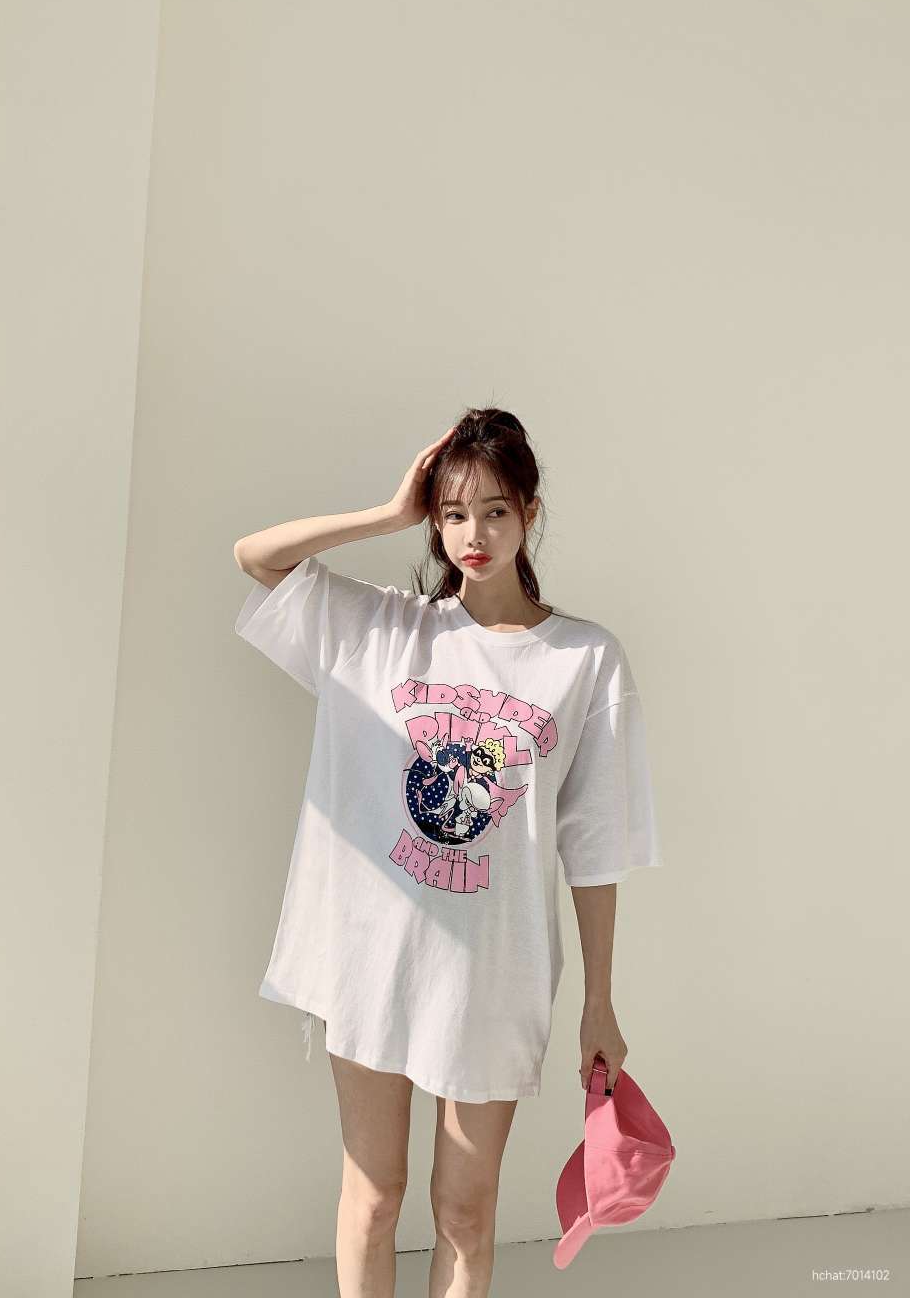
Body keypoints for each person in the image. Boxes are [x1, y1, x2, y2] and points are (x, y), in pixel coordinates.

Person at [233, 406, 663, 1298]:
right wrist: (387, 513)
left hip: (493, 974)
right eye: (454, 513)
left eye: (496, 511)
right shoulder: (382, 631)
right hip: (370, 959)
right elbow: (256, 557)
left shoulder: (585, 660)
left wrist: (600, 1002)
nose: (475, 535)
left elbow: (593, 848)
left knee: (466, 1212)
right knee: (374, 1198)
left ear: (530, 513)